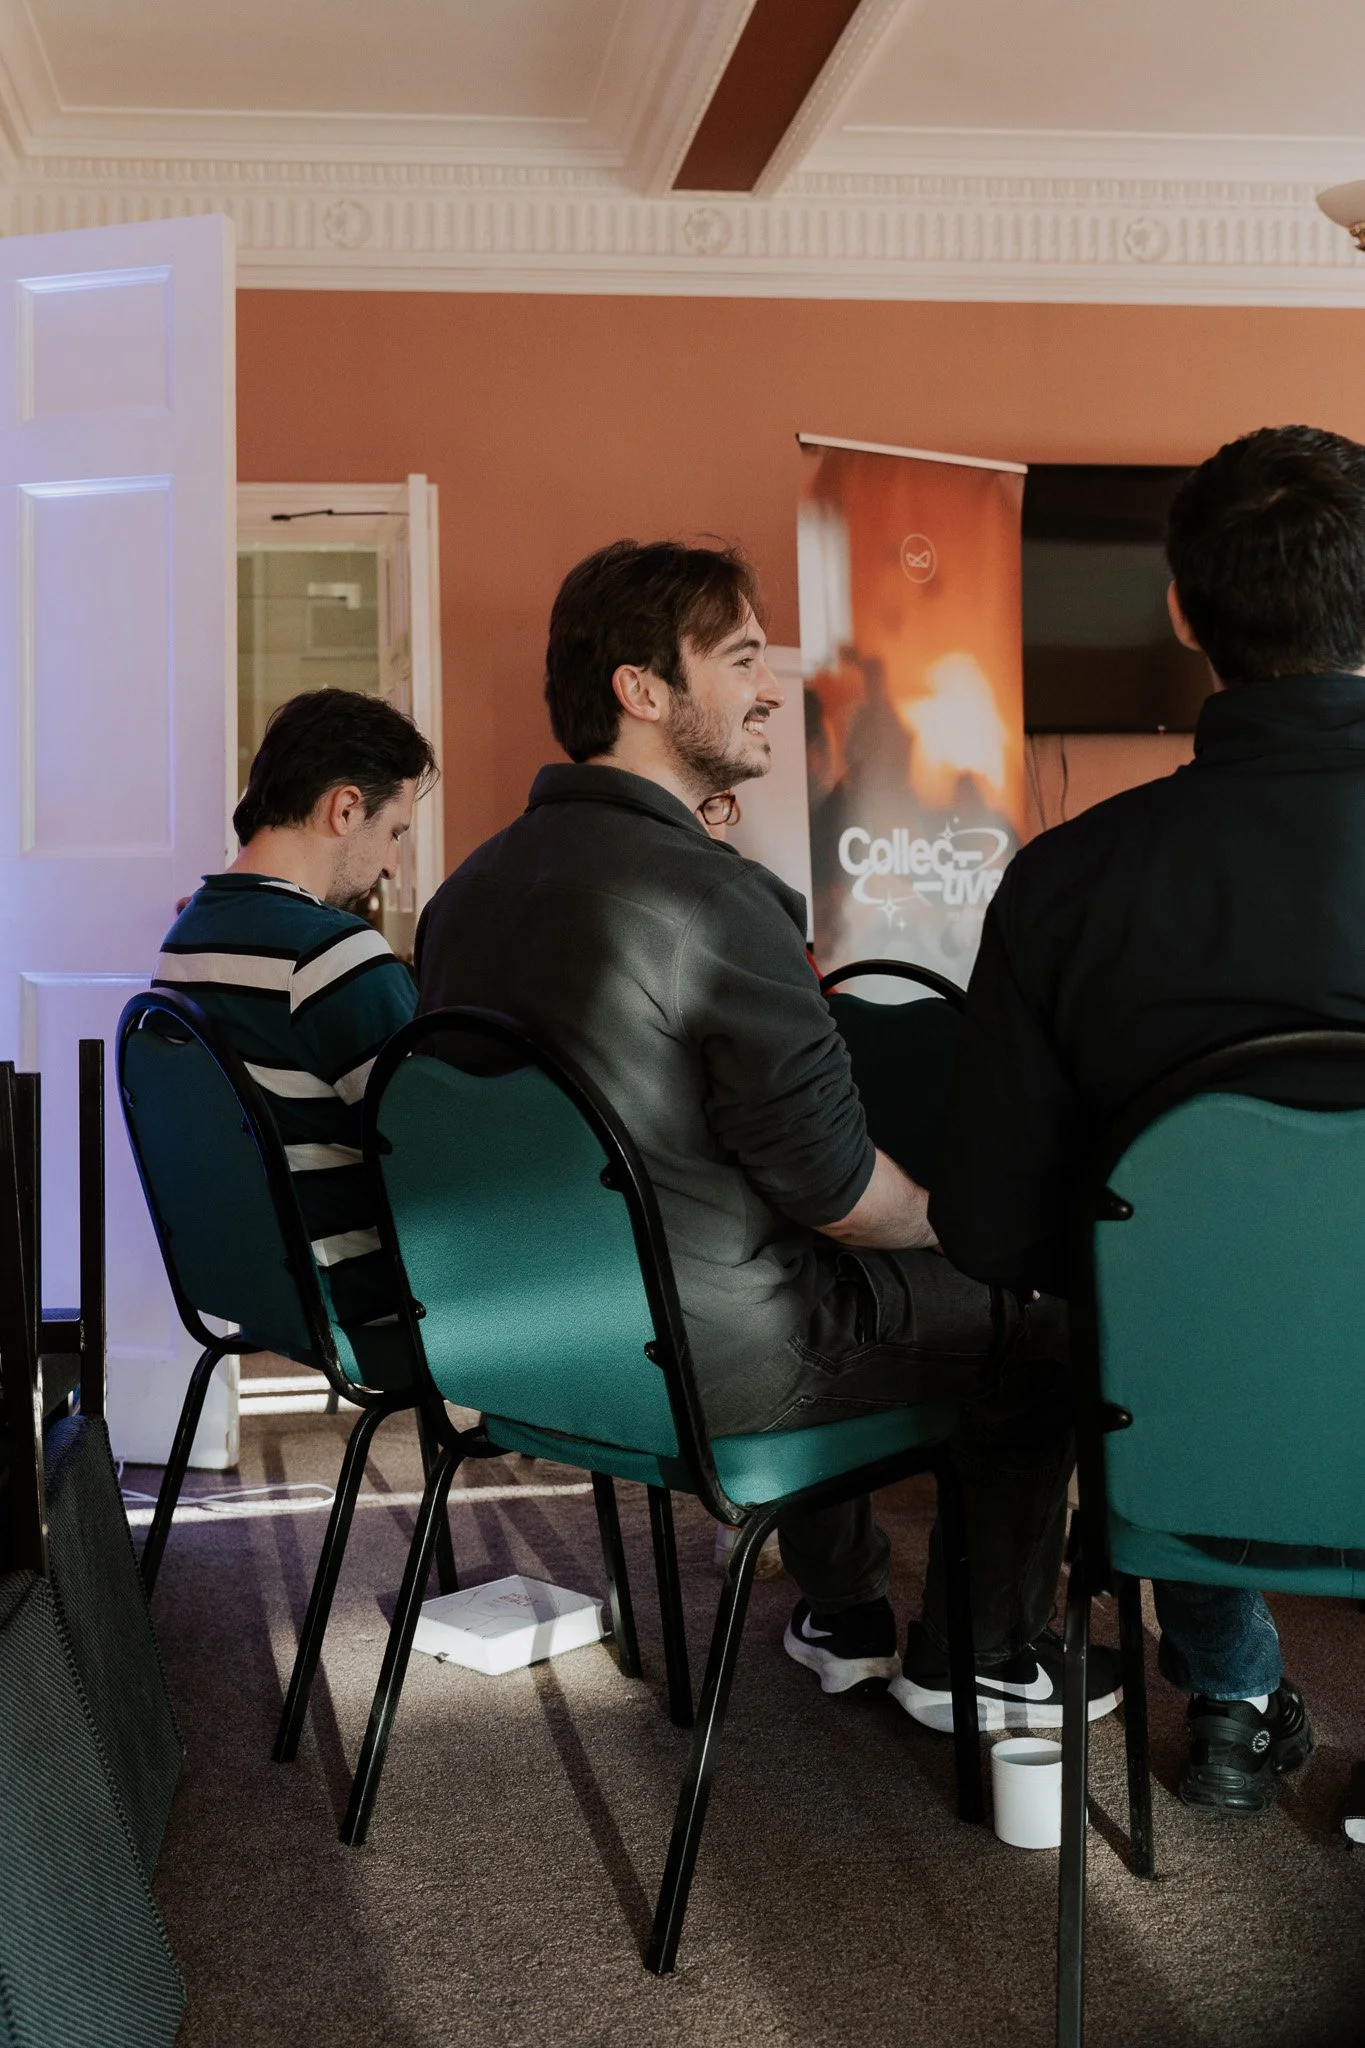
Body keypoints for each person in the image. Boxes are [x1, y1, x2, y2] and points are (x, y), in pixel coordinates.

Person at [416, 538, 1118, 1730]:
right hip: (714, 1361)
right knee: (1040, 1326)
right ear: (643, 688)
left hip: (533, 1345)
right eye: (741, 655)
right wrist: (981, 1235)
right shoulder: (711, 898)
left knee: (800, 1261)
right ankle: (984, 1658)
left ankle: (844, 1608)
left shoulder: (460, 898)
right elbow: (842, 1192)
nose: (770, 686)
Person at [929, 423, 1365, 1812]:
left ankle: (1229, 1701)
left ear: (1182, 613)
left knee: (1173, 1327)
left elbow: (989, 1230)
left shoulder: (1066, 883)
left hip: (1190, 1429)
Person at [153, 688, 436, 1375]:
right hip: (363, 1304)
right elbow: (436, 1157)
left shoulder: (185, 937)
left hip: (253, 1287)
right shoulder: (334, 957)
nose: (392, 864)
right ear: (344, 808)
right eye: (394, 831)